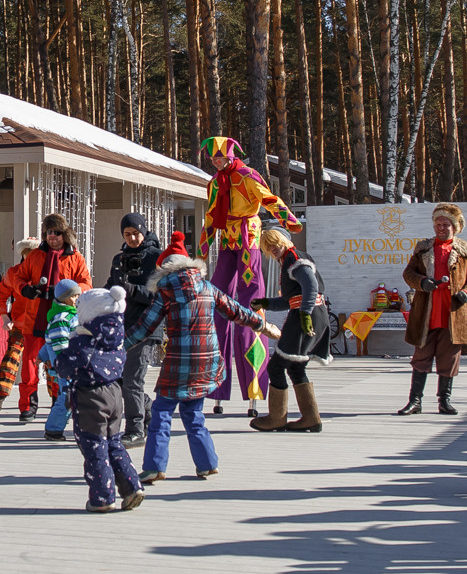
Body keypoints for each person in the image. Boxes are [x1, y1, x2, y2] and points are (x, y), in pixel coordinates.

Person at [127, 237, 279, 485]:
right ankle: (207, 464)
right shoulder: (208, 288)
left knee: (162, 412)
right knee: (193, 412)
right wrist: (264, 326)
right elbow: (237, 311)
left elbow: (144, 328)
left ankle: (154, 466)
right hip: (206, 362)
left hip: (178, 362)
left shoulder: (165, 291)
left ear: (164, 270)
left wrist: (116, 346)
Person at [198, 136, 300, 415]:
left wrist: (288, 219)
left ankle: (254, 387)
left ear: (232, 156)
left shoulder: (247, 176)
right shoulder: (215, 182)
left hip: (248, 239)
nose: (219, 163)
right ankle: (216, 387)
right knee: (217, 304)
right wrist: (201, 252)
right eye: (215, 160)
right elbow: (210, 217)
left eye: (222, 159)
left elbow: (268, 198)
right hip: (227, 240)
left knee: (251, 307)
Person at [55, 286, 144, 512]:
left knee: (95, 448)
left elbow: (65, 365)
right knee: (114, 442)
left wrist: (61, 357)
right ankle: (132, 486)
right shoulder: (116, 338)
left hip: (90, 397)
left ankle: (103, 497)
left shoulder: (85, 341)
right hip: (114, 393)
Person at [397, 204, 467, 417]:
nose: (441, 228)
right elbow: (408, 273)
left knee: (449, 359)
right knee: (421, 358)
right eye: (438, 224)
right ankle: (414, 401)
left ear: (455, 227)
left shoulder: (463, 251)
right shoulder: (423, 248)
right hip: (426, 313)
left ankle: (445, 401)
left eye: (445, 224)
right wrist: (422, 282)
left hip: (453, 314)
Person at [11, 215, 94, 420]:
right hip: (36, 317)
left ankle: (61, 401)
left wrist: (71, 292)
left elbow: (86, 284)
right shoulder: (35, 256)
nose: (52, 237)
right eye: (49, 232)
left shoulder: (75, 258)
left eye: (56, 232)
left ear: (64, 234)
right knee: (30, 362)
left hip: (64, 319)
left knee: (62, 361)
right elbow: (18, 276)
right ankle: (27, 406)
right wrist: (25, 289)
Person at [252, 226, 327, 433]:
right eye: (268, 245)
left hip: (306, 317)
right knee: (295, 366)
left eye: (275, 242)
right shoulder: (287, 260)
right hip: (310, 315)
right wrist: (265, 303)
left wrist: (304, 315)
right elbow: (288, 300)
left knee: (276, 367)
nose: (273, 247)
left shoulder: (294, 259)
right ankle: (311, 418)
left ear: (284, 240)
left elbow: (310, 287)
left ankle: (277, 418)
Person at [103, 213, 163, 448]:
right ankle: (149, 410)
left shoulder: (157, 258)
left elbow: (160, 296)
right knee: (118, 379)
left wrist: (131, 289)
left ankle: (135, 428)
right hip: (121, 327)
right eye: (127, 235)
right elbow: (111, 287)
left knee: (132, 380)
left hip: (147, 327)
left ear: (144, 231)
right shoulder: (119, 259)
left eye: (135, 233)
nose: (132, 239)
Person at [0, 237, 39, 408]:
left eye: (33, 254)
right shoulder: (14, 272)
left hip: (41, 324)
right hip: (19, 323)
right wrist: (5, 318)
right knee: (12, 357)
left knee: (49, 362)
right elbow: (0, 295)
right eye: (27, 254)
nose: (30, 257)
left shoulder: (45, 273)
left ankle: (57, 399)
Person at [39, 278, 83, 438]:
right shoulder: (61, 318)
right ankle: (53, 429)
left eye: (78, 295)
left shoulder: (74, 315)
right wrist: (67, 363)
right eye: (73, 296)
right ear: (63, 298)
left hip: (76, 365)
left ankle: (81, 430)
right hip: (67, 366)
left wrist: (41, 355)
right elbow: (58, 344)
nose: (76, 299)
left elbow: (47, 342)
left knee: (77, 396)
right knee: (67, 396)